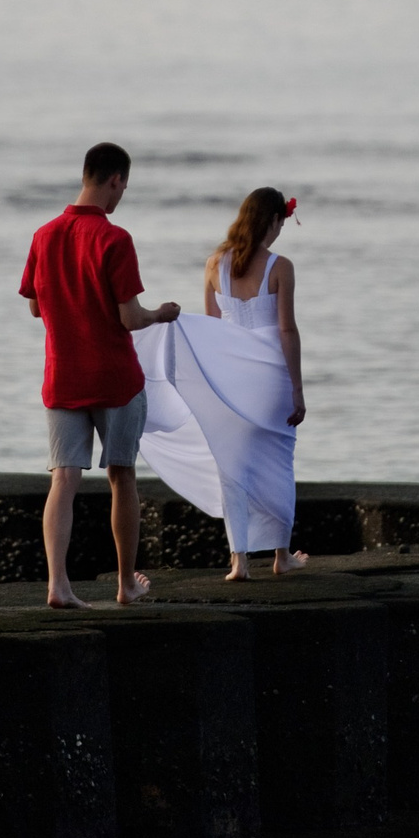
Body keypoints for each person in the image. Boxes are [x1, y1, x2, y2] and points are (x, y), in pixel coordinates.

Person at [20, 141, 178, 608]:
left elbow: (34, 306)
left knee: (63, 481)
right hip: (113, 378)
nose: (122, 194)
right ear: (115, 179)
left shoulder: (44, 235)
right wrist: (161, 313)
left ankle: (58, 586)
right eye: (123, 186)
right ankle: (127, 584)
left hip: (62, 377)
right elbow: (130, 318)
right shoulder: (115, 239)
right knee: (121, 475)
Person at [135, 186, 309, 580]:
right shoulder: (280, 266)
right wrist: (298, 389)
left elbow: (212, 332)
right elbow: (287, 331)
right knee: (277, 458)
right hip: (271, 375)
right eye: (281, 222)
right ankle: (282, 556)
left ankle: (239, 561)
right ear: (274, 221)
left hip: (230, 375)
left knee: (230, 463)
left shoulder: (215, 263)